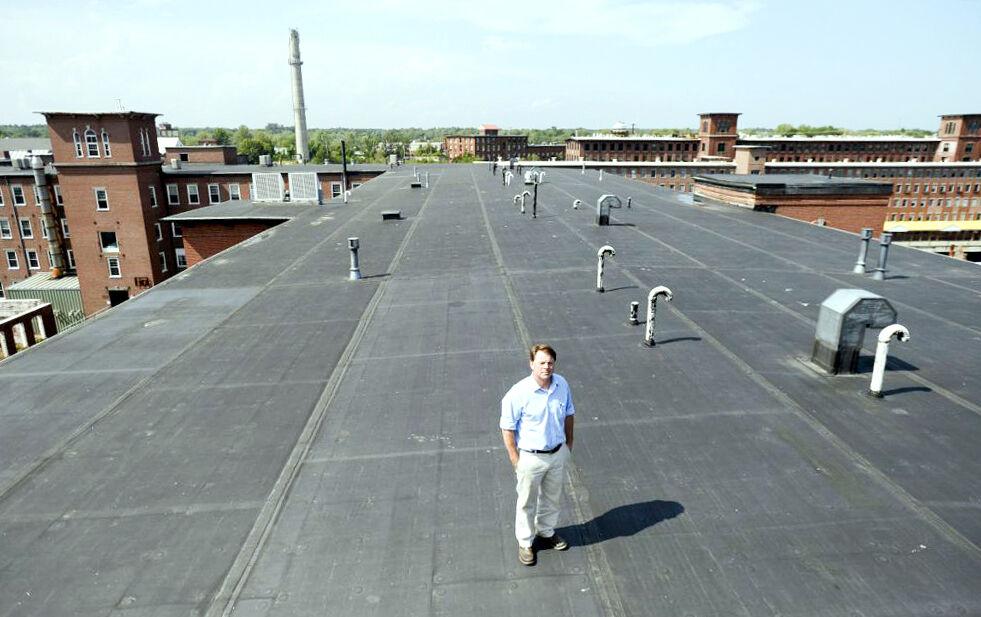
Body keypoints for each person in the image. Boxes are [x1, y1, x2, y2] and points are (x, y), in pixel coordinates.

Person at [500, 343, 575, 566]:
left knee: (552, 497)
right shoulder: (518, 393)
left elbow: (569, 412)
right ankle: (525, 543)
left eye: (550, 362)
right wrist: (515, 458)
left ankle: (546, 531)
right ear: (531, 363)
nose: (546, 367)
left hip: (557, 453)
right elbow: (507, 427)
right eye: (541, 362)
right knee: (526, 501)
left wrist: (568, 444)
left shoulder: (561, 384)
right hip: (530, 457)